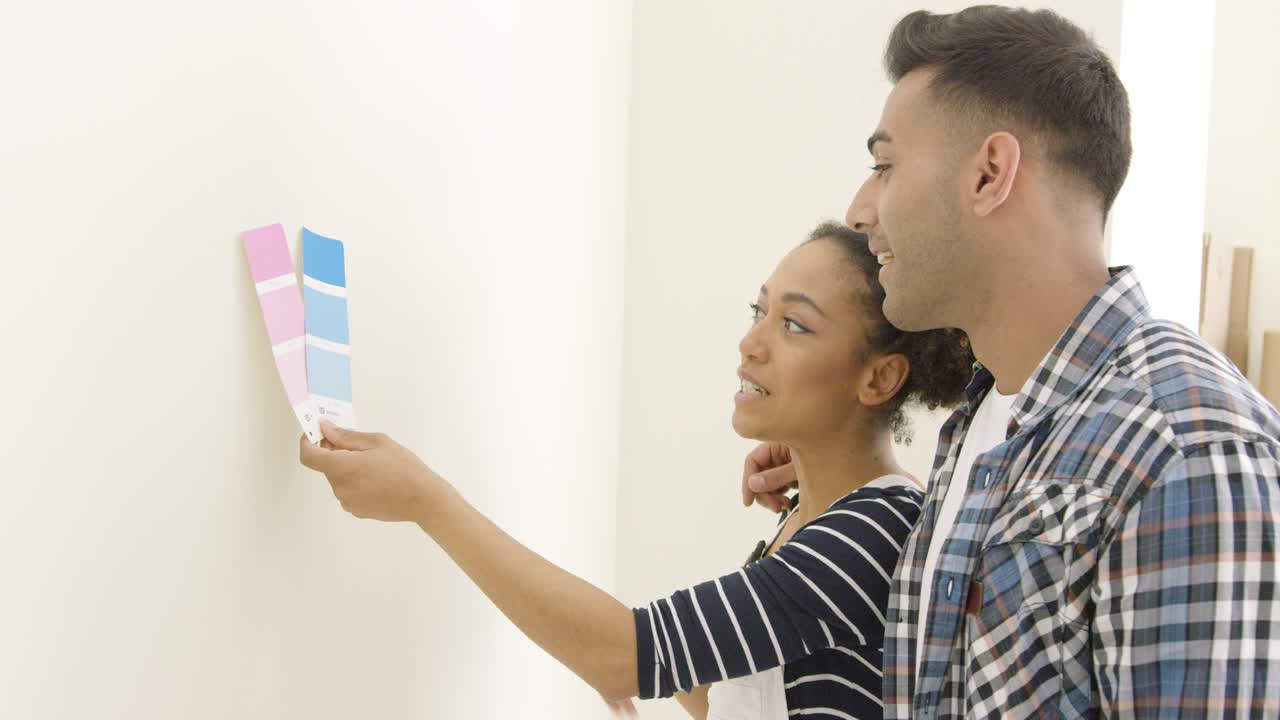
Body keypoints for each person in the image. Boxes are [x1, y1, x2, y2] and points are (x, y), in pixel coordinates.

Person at [741, 6, 1280, 719]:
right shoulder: (983, 422)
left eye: (885, 165)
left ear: (991, 173)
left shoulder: (1186, 448)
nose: (861, 207)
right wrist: (826, 455)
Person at [300, 222, 974, 717]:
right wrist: (615, 648)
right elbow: (725, 690)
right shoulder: (812, 516)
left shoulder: (873, 531)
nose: (751, 343)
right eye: (758, 311)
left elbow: (632, 651)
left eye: (794, 326)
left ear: (880, 376)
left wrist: (428, 502)